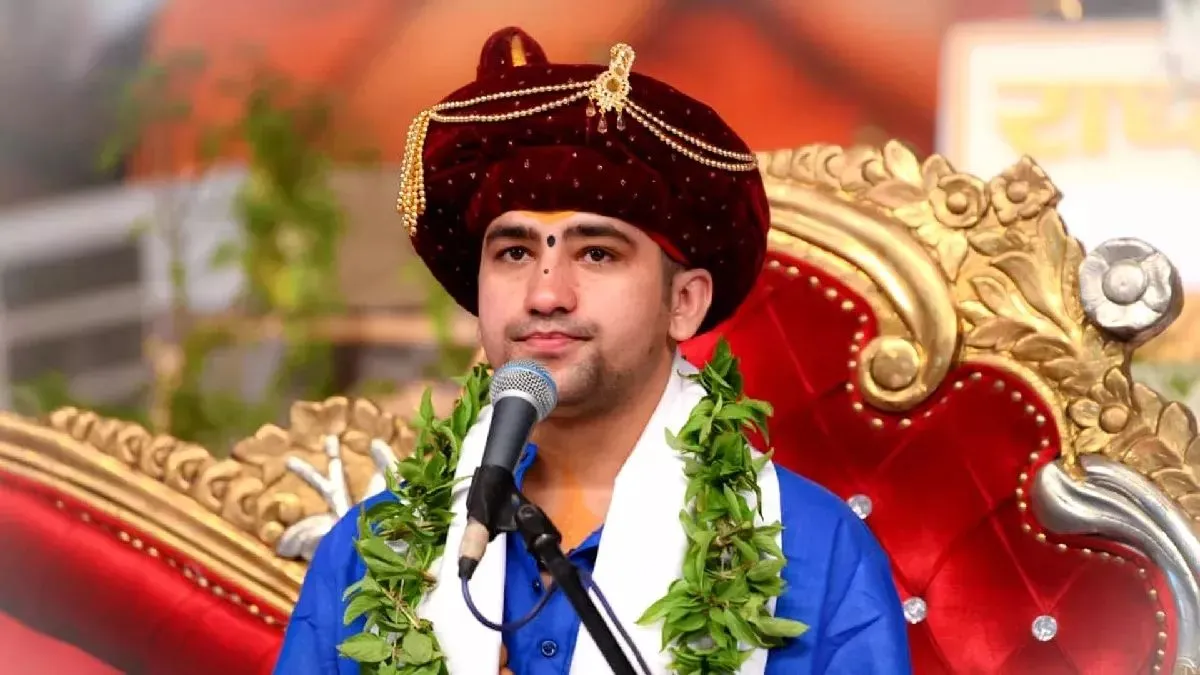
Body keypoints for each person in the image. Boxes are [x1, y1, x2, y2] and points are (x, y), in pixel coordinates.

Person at [274, 27, 911, 675]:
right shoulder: (376, 552)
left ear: (683, 302)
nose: (546, 293)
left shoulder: (814, 555)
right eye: (514, 252)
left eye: (598, 253)